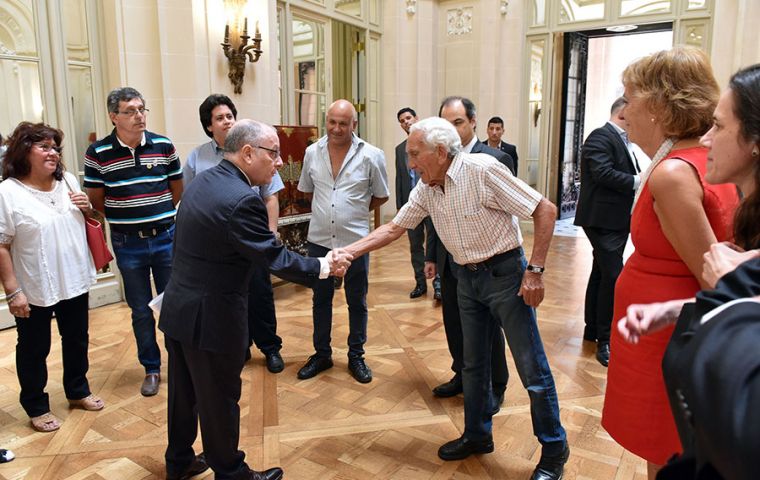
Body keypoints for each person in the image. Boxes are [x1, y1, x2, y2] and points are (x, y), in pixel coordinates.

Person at [343, 117, 569, 480]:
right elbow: (394, 227)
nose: (410, 164)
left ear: (441, 152)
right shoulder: (427, 187)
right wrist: (349, 252)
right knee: (473, 366)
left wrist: (536, 271)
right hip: (466, 279)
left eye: (415, 155)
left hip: (506, 276)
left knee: (533, 369)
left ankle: (555, 448)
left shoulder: (483, 170)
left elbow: (545, 209)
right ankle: (478, 435)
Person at [158, 119, 351, 480]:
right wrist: (324, 266)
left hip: (179, 309)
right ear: (247, 153)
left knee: (183, 396)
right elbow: (274, 257)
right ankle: (231, 473)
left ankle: (180, 462)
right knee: (219, 401)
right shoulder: (242, 199)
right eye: (273, 153)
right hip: (211, 318)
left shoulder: (203, 182)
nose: (279, 162)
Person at [600, 47, 740, 479]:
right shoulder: (695, 159)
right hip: (660, 331)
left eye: (629, 97)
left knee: (667, 446)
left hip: (667, 337)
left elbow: (712, 274)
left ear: (660, 106)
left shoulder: (674, 173)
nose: (624, 110)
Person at [0, 122, 104, 433]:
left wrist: (89, 210)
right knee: (34, 347)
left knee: (77, 338)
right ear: (23, 152)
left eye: (55, 147)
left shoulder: (69, 180)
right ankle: (35, 405)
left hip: (72, 277)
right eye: (44, 147)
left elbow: (92, 220)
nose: (53, 153)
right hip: (34, 285)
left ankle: (77, 389)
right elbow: (2, 245)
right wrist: (12, 291)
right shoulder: (7, 192)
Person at [84, 87, 184, 397]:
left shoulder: (163, 145)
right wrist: (130, 216)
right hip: (128, 244)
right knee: (140, 309)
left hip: (166, 237)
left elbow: (176, 190)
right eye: (130, 110)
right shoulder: (98, 153)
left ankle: (180, 364)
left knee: (173, 304)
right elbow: (97, 199)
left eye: (142, 109)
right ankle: (151, 368)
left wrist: (156, 213)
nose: (139, 115)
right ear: (114, 117)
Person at [184, 94, 286, 373]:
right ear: (209, 126)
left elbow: (270, 196)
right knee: (231, 298)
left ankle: (270, 347)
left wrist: (270, 234)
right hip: (219, 249)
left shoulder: (259, 151)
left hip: (252, 238)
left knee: (261, 295)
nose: (227, 121)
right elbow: (190, 197)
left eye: (230, 115)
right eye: (220, 118)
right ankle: (238, 346)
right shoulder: (197, 158)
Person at [296, 99, 389, 384]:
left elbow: (381, 195)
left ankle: (356, 355)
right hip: (320, 240)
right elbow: (307, 191)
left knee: (356, 300)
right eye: (332, 122)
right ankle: (321, 354)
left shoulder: (372, 155)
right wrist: (330, 210)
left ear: (354, 125)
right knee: (320, 299)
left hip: (356, 242)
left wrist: (355, 211)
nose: (336, 128)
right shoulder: (313, 152)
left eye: (343, 123)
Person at [430, 96, 511, 406]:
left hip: (487, 265)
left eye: (457, 122)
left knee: (488, 328)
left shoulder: (492, 158)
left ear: (473, 122)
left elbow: (506, 213)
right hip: (451, 262)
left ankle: (495, 385)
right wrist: (431, 257)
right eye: (445, 124)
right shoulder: (436, 158)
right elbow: (435, 213)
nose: (450, 129)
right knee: (454, 322)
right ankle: (462, 374)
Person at [574, 97, 641, 366]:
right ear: (624, 112)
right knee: (614, 275)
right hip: (601, 220)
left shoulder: (621, 139)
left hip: (613, 219)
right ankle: (606, 340)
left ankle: (592, 330)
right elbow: (602, 173)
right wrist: (640, 180)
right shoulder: (600, 136)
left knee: (601, 273)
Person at [394, 107, 440, 300]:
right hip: (411, 205)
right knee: (415, 246)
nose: (406, 122)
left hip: (431, 201)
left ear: (416, 118)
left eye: (408, 118)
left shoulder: (430, 143)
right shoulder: (399, 149)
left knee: (435, 243)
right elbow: (400, 178)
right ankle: (420, 283)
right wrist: (400, 205)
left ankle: (438, 284)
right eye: (402, 120)